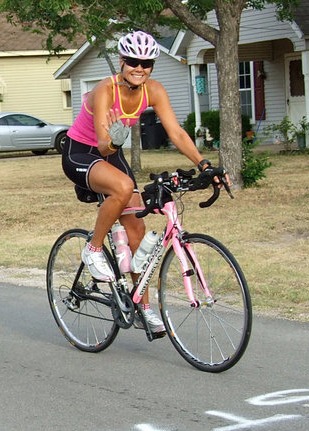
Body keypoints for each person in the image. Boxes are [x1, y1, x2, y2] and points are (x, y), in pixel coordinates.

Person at [61, 30, 225, 336]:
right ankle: (93, 248)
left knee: (137, 230)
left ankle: (143, 307)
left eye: (146, 62)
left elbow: (176, 132)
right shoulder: (104, 91)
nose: (140, 67)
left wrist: (204, 164)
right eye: (133, 61)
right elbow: (102, 145)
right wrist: (114, 139)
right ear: (122, 61)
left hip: (113, 154)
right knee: (123, 187)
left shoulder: (155, 90)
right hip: (81, 152)